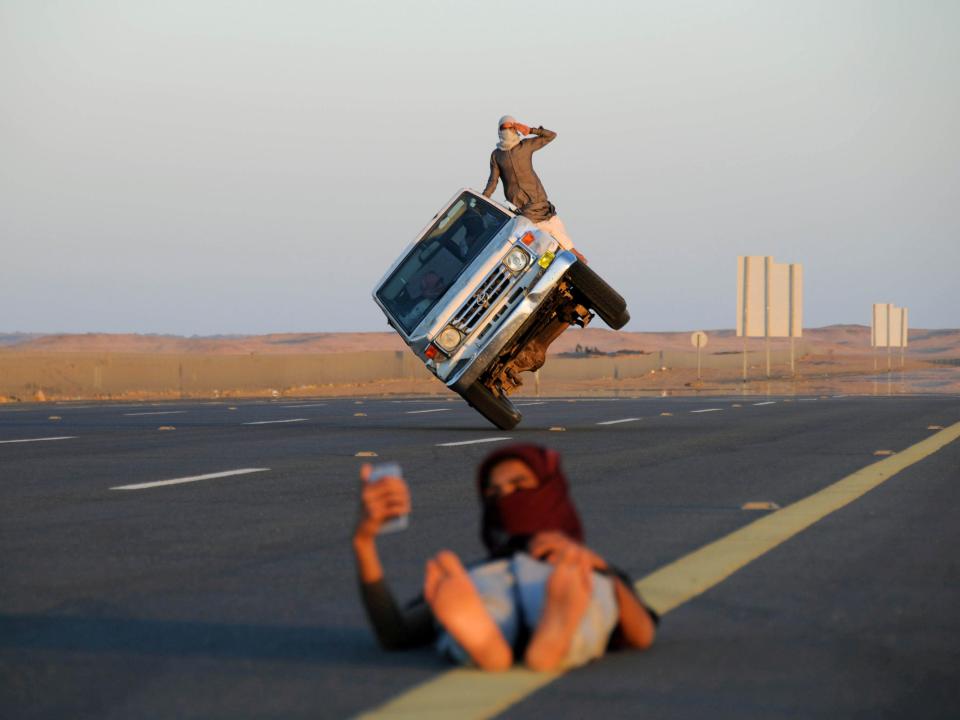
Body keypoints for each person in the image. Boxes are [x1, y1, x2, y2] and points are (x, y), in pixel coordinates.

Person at [352, 444, 657, 671]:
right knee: (481, 590)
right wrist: (363, 541)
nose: (507, 498)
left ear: (550, 491)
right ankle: (515, 639)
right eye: (495, 494)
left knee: (588, 585)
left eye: (519, 485)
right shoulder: (481, 573)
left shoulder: (583, 565)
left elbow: (640, 632)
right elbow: (397, 634)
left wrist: (599, 567)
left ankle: (488, 644)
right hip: (507, 581)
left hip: (559, 576)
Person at [481, 116, 585, 261]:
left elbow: (551, 135)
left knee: (569, 248)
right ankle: (552, 275)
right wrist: (483, 201)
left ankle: (582, 272)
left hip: (542, 205)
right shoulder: (496, 155)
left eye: (510, 128)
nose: (507, 131)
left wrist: (530, 130)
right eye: (503, 128)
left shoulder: (525, 146)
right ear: (499, 131)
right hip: (525, 211)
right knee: (544, 251)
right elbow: (493, 181)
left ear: (515, 128)